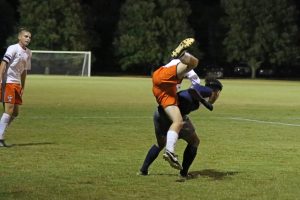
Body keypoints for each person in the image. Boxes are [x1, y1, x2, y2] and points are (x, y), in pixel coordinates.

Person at [140, 78, 223, 178]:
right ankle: (183, 174)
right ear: (216, 92)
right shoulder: (208, 91)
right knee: (194, 141)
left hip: (160, 112)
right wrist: (204, 102)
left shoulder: (204, 93)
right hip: (175, 115)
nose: (217, 96)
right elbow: (193, 90)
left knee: (160, 143)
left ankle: (143, 170)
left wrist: (202, 101)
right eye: (218, 93)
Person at [152, 38, 199, 169]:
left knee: (177, 121)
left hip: (161, 89)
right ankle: (183, 54)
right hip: (167, 78)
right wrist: (191, 95)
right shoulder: (178, 67)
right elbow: (196, 81)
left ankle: (170, 151)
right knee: (194, 63)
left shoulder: (173, 68)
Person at [0, 28, 32, 147]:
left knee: (15, 113)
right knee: (9, 109)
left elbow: (24, 71)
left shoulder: (28, 53)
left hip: (16, 84)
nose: (28, 38)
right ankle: (0, 137)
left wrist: (22, 86)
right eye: (26, 36)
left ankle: (0, 131)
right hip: (7, 82)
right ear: (19, 37)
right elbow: (3, 64)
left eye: (29, 37)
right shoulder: (13, 48)